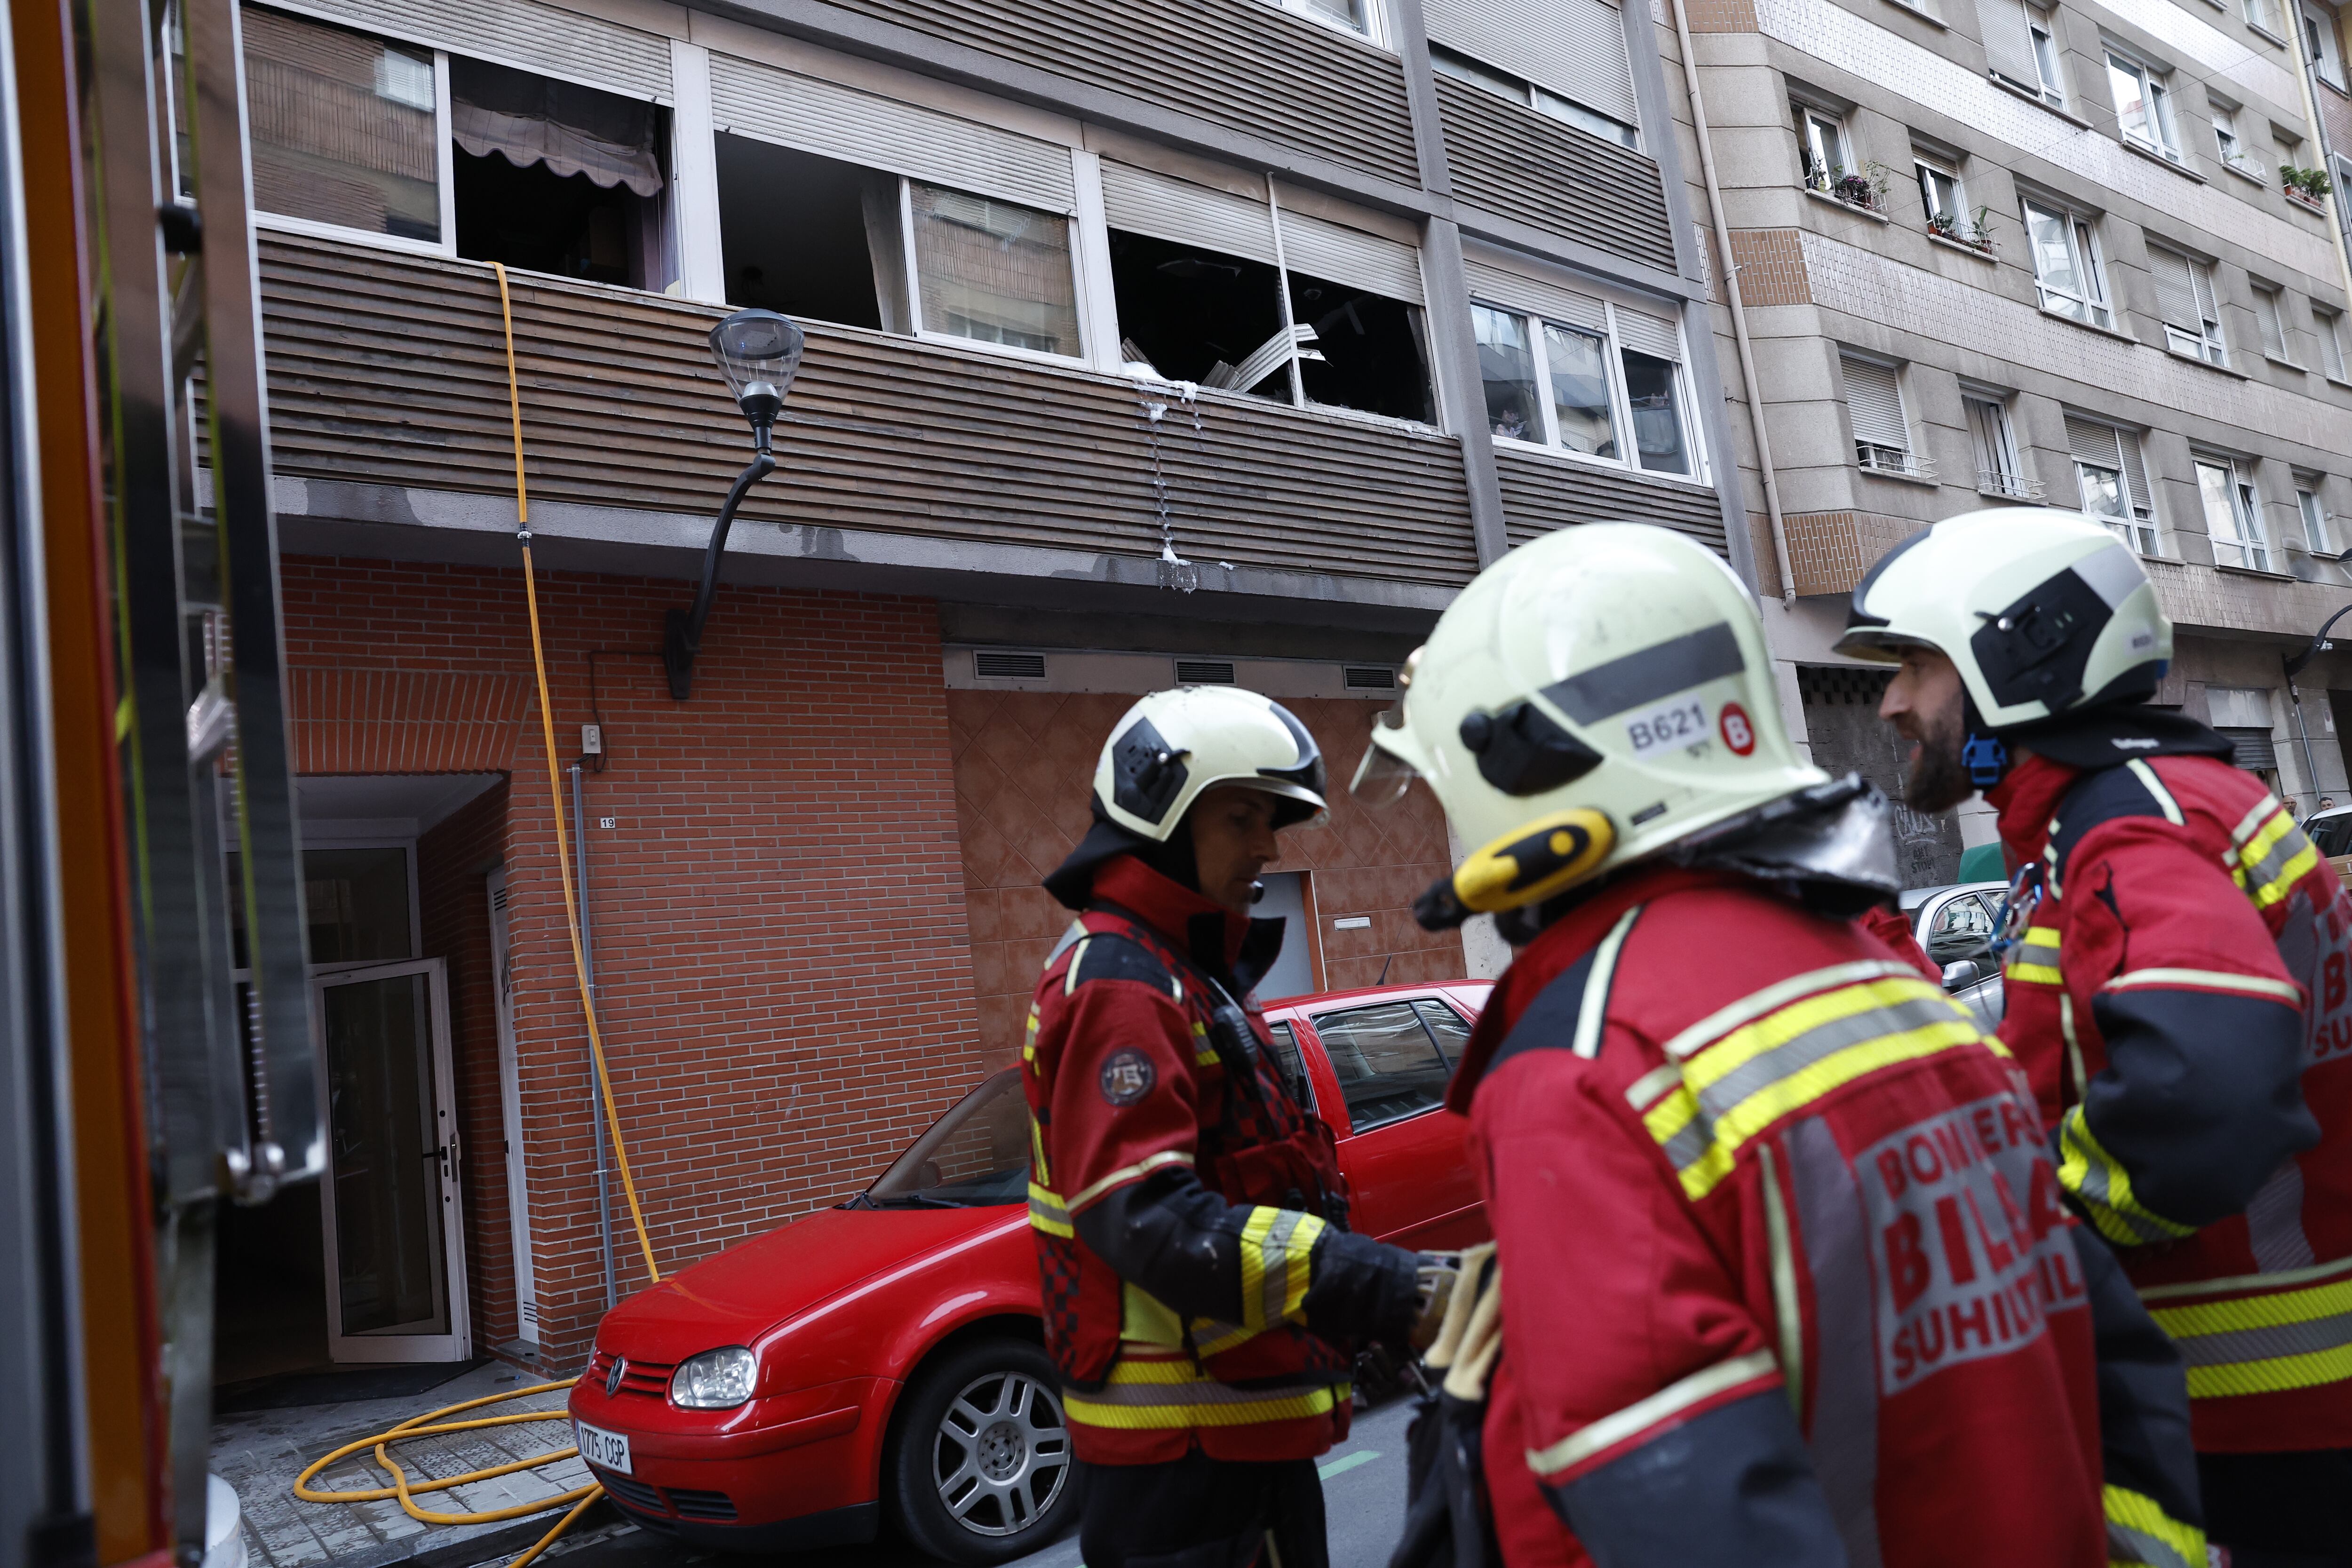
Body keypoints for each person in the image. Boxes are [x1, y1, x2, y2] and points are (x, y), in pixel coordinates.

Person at [1354, 522, 2190, 1568]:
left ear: (1527, 766)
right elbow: (2110, 1355)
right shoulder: (1872, 972)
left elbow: (1678, 1505)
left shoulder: (1584, 1061)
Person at [1837, 507, 2352, 1567]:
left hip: (2259, 1412)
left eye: (1917, 665)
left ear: (2014, 657)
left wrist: (2037, 1230)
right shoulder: (2149, 806)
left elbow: (2204, 1086)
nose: (1889, 701)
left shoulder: (2130, 824)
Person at [1024, 686, 1436, 1568]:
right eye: (1241, 816)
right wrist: (1380, 1286)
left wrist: (1365, 1330)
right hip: (1184, 1474)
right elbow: (1151, 1218)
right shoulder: (1122, 985)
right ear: (1160, 818)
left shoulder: (1180, 974)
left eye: (1271, 820)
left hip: (1234, 1448)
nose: (1268, 846)